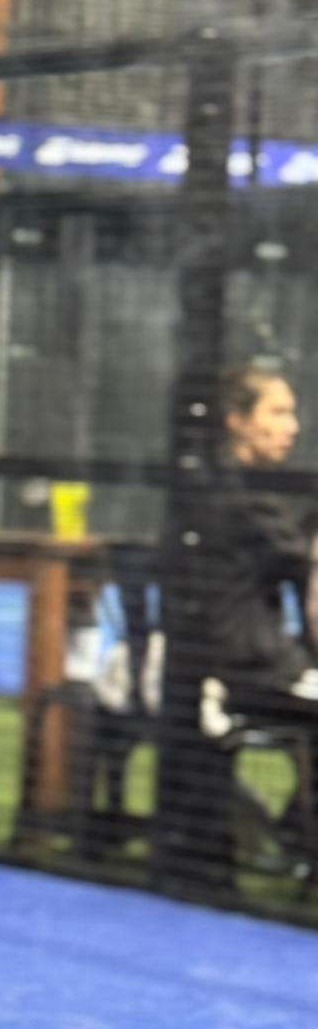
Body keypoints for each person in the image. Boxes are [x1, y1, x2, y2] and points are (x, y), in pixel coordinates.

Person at [188, 364, 318, 856]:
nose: (292, 427)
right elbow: (301, 558)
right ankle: (299, 836)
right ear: (237, 421)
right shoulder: (238, 499)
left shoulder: (231, 489)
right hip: (244, 673)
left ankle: (297, 832)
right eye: (277, 412)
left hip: (253, 665)